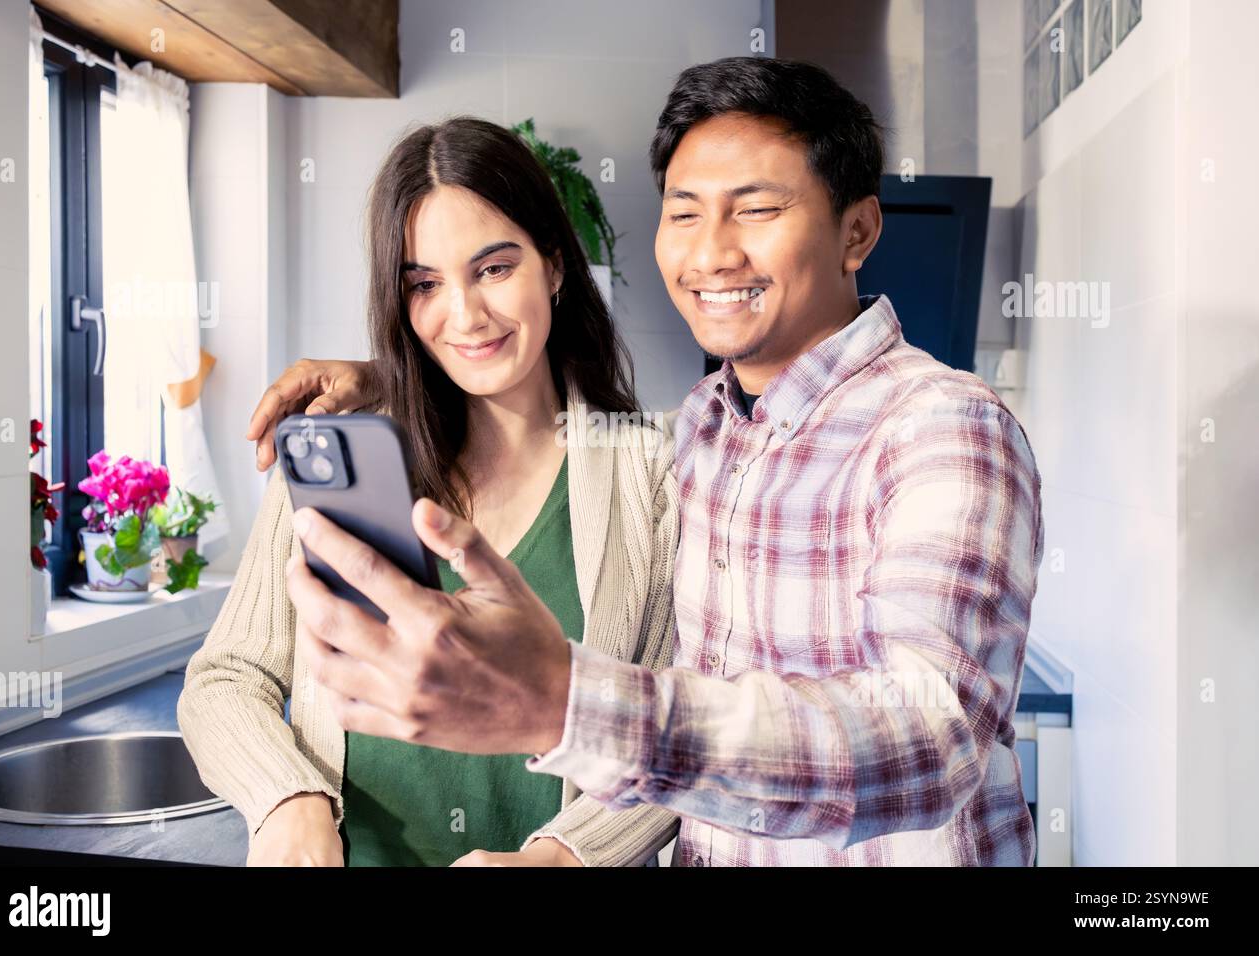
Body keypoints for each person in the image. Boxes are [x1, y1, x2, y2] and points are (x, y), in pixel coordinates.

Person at [267, 57, 1044, 866]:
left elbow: (927, 740)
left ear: (857, 231)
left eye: (757, 210)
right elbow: (533, 417)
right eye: (685, 213)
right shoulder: (705, 429)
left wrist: (568, 703)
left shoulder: (942, 426)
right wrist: (394, 378)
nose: (712, 254)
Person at [178, 117, 681, 867]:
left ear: (554, 265)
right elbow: (227, 678)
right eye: (425, 284)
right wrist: (288, 802)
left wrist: (561, 860)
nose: (466, 315)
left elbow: (680, 734)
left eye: (494, 268)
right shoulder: (336, 462)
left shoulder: (654, 475)